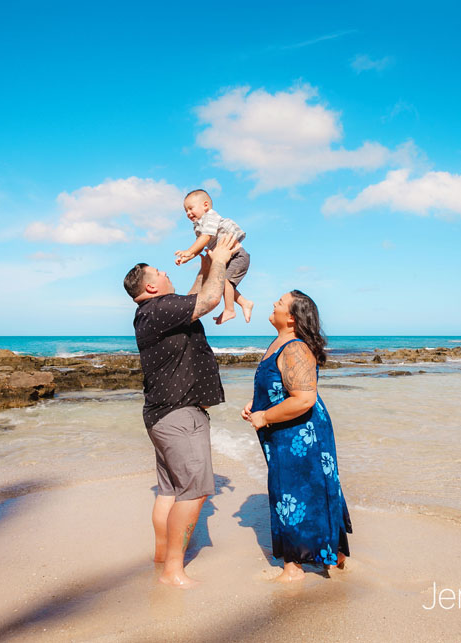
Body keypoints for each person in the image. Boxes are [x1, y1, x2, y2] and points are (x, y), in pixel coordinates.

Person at [123, 234, 241, 588]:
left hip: (161, 414)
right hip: (179, 413)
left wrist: (204, 267)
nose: (165, 272)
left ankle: (163, 558)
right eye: (159, 272)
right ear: (151, 286)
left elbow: (192, 300)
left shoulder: (152, 312)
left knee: (169, 491)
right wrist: (219, 261)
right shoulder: (159, 309)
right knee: (194, 491)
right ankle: (173, 571)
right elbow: (208, 300)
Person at [241, 290, 352, 583]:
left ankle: (294, 568)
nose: (273, 303)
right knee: (294, 490)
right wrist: (257, 404)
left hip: (303, 435)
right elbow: (280, 387)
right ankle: (333, 556)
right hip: (286, 432)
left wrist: (265, 417)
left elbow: (304, 399)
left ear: (291, 318)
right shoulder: (279, 343)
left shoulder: (295, 348)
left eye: (280, 302)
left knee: (295, 491)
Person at [174, 189, 253, 325]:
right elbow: (200, 245)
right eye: (186, 211)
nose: (188, 213)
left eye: (191, 208)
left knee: (225, 281)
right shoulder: (198, 225)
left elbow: (205, 237)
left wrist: (188, 250)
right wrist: (188, 257)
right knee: (221, 283)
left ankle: (230, 310)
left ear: (205, 205)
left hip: (237, 256)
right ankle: (245, 303)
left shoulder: (210, 217)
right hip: (225, 258)